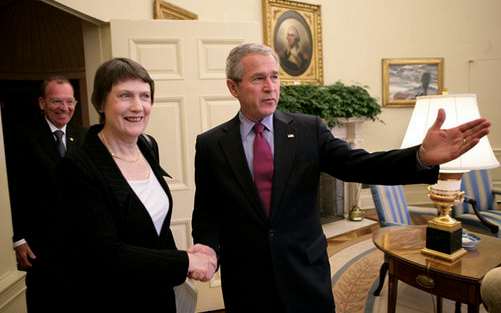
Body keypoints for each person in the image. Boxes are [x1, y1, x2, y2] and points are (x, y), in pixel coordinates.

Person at [190, 43, 491, 313]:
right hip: (246, 277)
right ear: (233, 87)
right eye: (258, 78)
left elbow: (360, 165)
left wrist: (420, 156)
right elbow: (206, 209)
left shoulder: (309, 129)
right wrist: (206, 247)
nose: (271, 87)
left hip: (305, 273)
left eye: (275, 76)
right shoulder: (211, 144)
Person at [55, 58, 217, 313]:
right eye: (125, 95)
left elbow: (153, 227)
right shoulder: (78, 167)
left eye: (145, 96)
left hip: (157, 296)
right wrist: (183, 261)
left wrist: (188, 257)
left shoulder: (147, 145)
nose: (137, 106)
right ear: (100, 103)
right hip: (109, 300)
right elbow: (106, 256)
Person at [5, 76, 87, 312]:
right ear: (42, 103)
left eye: (69, 101)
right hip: (40, 245)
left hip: (79, 245)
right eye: (56, 101)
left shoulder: (83, 136)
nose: (64, 107)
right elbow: (12, 190)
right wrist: (18, 239)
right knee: (47, 303)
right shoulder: (20, 136)